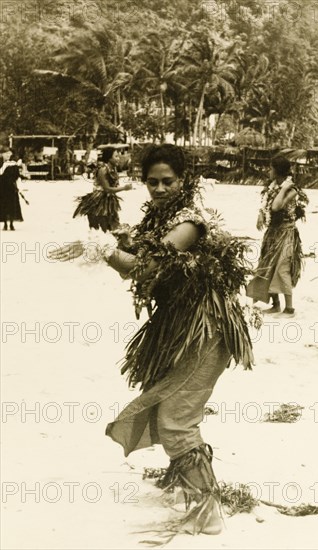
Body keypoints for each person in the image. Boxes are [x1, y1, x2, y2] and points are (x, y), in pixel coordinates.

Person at [49, 144, 254, 537]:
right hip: (177, 327)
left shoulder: (188, 223)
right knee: (168, 408)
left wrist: (102, 248)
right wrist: (120, 241)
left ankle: (207, 507)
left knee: (176, 420)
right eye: (151, 182)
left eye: (167, 181)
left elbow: (145, 270)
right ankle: (187, 483)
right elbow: (140, 256)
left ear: (184, 180)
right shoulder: (159, 218)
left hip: (205, 330)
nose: (158, 189)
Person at [247, 156, 308, 317]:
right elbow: (266, 206)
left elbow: (275, 207)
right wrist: (260, 214)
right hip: (272, 233)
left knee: (282, 268)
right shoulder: (271, 188)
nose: (269, 171)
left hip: (286, 233)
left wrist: (283, 189)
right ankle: (276, 305)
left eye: (271, 168)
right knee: (267, 265)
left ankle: (289, 309)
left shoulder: (292, 190)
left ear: (278, 171)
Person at [73, 147, 132, 232]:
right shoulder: (103, 170)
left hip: (109, 199)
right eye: (116, 156)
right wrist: (124, 188)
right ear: (109, 158)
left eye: (118, 156)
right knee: (101, 227)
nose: (118, 159)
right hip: (98, 201)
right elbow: (107, 189)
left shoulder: (113, 168)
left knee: (113, 226)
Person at [0, 162, 27, 230]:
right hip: (11, 194)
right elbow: (17, 181)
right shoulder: (13, 177)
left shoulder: (3, 177)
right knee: (12, 208)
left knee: (4, 208)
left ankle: (6, 224)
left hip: (4, 194)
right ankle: (11, 224)